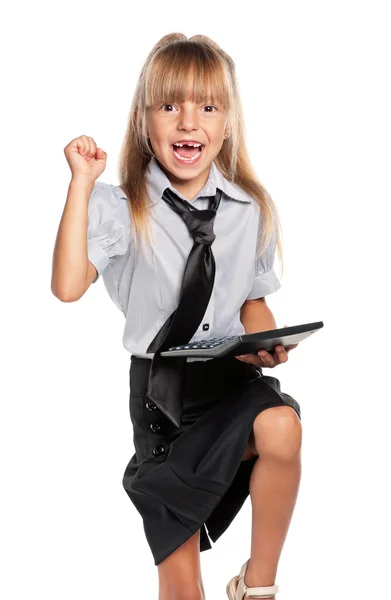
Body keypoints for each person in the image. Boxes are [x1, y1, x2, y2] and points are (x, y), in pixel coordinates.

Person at [52, 32, 303, 600]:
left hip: (229, 378)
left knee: (281, 425)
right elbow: (68, 286)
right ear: (146, 122)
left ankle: (257, 587)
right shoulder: (117, 207)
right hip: (163, 396)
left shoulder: (250, 207)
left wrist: (268, 342)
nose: (189, 122)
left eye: (207, 107)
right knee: (181, 585)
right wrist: (81, 184)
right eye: (170, 106)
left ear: (227, 122)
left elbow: (252, 300)